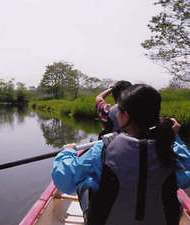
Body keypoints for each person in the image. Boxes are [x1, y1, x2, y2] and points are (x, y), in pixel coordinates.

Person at [52, 84, 190, 225]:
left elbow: (64, 181)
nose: (116, 114)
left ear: (126, 117)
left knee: (85, 184)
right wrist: (174, 138)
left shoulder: (103, 149)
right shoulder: (169, 148)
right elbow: (186, 177)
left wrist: (67, 152)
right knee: (176, 196)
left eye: (119, 111)